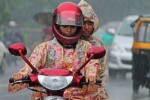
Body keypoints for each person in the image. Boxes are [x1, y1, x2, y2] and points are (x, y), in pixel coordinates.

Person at [8, 2, 103, 100]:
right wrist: (21, 75)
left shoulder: (88, 48)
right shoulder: (43, 48)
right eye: (65, 26)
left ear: (78, 26)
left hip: (77, 97)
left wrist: (91, 76)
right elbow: (29, 67)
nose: (69, 30)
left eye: (72, 27)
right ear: (57, 25)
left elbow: (92, 67)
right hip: (45, 95)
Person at [78, 0, 109, 99]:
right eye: (83, 23)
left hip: (93, 89)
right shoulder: (67, 42)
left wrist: (101, 90)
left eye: (90, 23)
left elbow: (103, 72)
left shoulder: (98, 44)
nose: (86, 27)